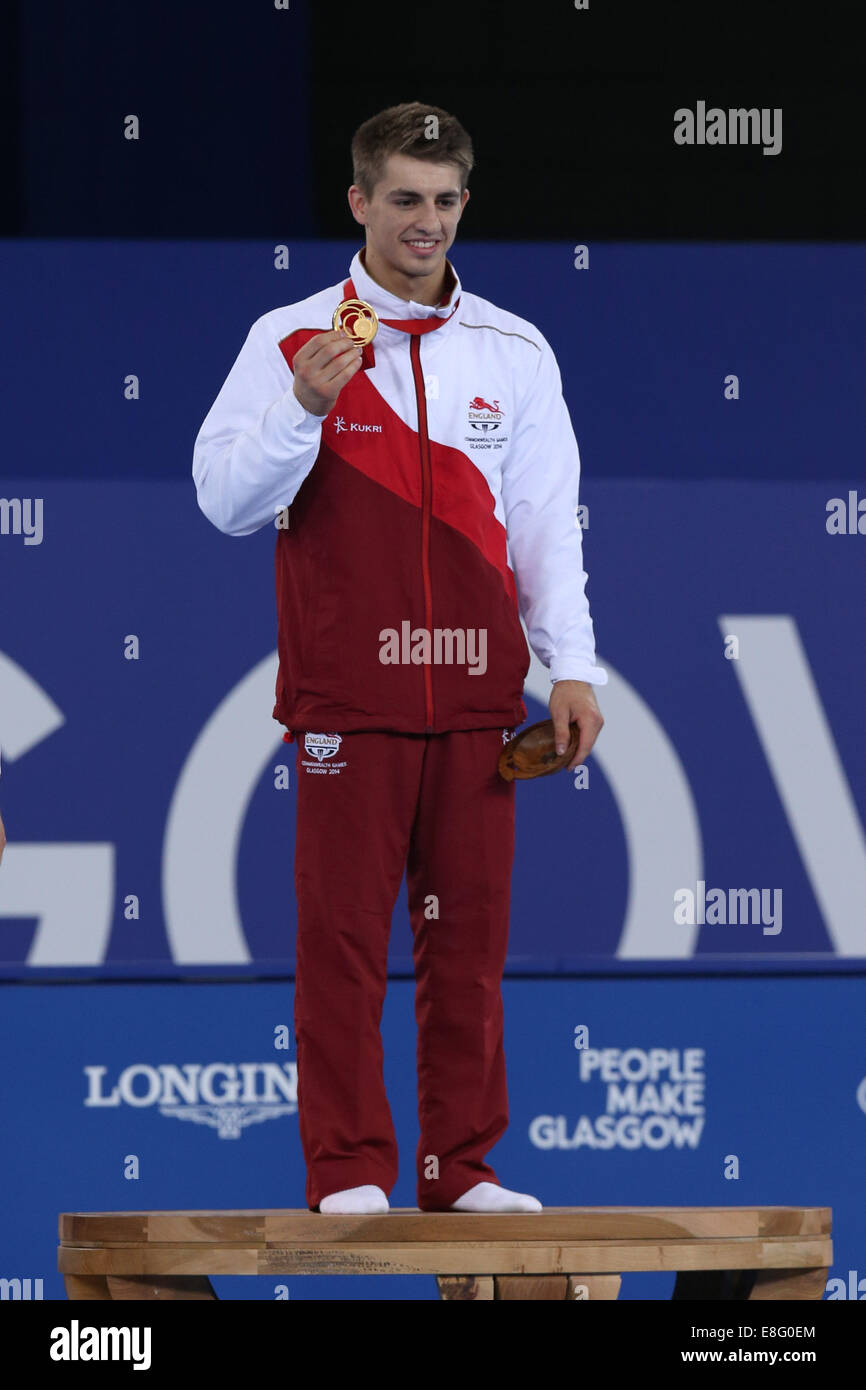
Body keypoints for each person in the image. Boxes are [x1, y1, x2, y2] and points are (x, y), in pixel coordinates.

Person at [193, 101, 607, 1215]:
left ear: (462, 204)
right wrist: (300, 407)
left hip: (476, 702)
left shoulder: (513, 350)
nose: (424, 223)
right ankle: (347, 1170)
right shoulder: (290, 339)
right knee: (336, 947)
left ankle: (457, 1169)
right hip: (347, 702)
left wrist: (571, 668)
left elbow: (545, 521)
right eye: (403, 199)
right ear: (359, 203)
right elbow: (224, 501)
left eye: (443, 201)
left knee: (465, 954)